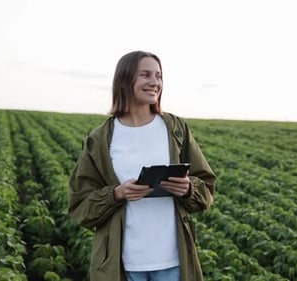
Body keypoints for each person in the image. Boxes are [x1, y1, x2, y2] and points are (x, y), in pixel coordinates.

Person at [68, 50, 216, 281]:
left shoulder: (175, 129)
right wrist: (117, 194)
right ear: (125, 80)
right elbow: (80, 206)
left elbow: (206, 188)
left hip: (174, 262)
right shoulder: (100, 138)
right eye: (145, 75)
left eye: (158, 76)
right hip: (122, 263)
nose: (154, 82)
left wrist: (187, 189)